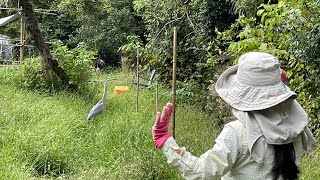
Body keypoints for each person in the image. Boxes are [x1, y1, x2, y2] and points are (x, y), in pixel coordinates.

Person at [152, 52, 316, 180]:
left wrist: (165, 140)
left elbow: (202, 173)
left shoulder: (237, 133)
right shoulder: (296, 126)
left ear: (242, 93)